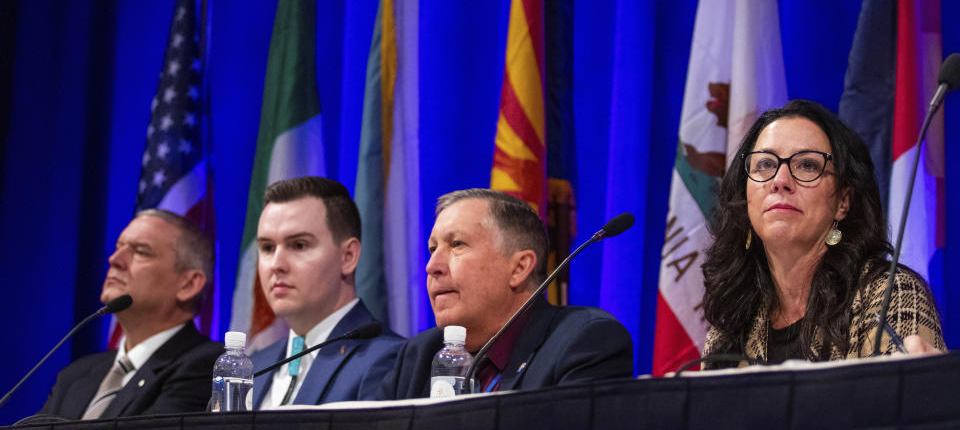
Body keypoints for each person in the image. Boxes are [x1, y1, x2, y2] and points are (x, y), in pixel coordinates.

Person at [701, 99, 944, 368]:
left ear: (843, 202)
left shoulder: (891, 296)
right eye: (765, 164)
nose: (780, 180)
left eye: (807, 165)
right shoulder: (730, 326)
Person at [379, 188, 633, 399]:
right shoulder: (418, 356)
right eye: (433, 248)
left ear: (519, 267)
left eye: (457, 244)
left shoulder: (584, 343)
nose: (431, 266)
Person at [39, 210, 222, 419]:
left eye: (141, 252)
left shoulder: (208, 366)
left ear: (188, 284)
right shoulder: (74, 376)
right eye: (118, 248)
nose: (114, 259)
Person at [250, 176, 403, 408]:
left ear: (348, 256)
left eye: (299, 245)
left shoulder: (390, 360)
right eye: (268, 248)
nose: (276, 264)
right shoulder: (255, 365)